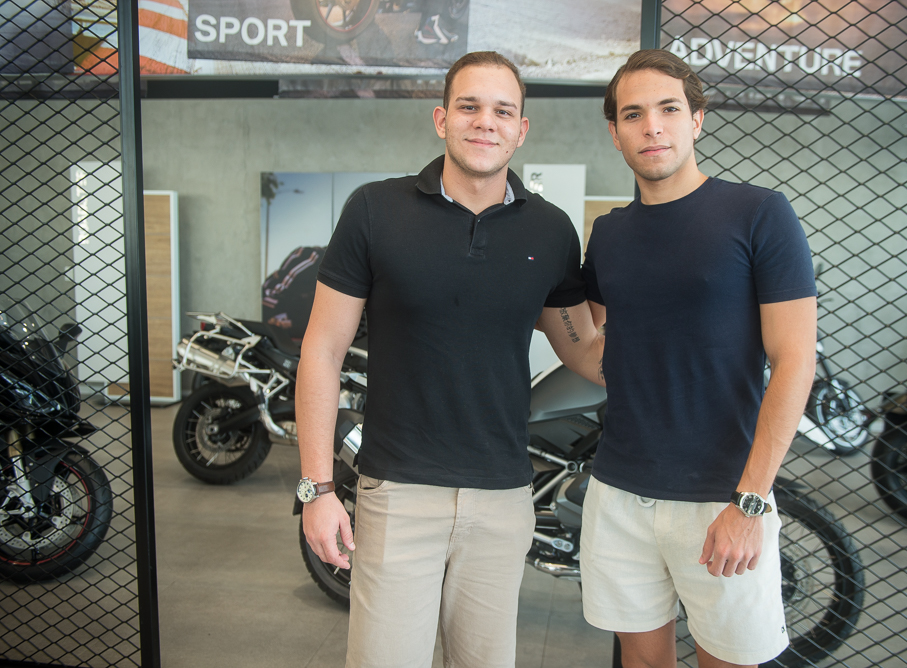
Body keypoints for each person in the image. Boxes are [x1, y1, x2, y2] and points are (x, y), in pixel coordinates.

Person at [296, 51, 604, 668]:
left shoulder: (550, 231)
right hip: (397, 491)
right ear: (442, 119)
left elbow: (586, 352)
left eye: (503, 111)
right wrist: (317, 489)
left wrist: (678, 320)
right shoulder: (374, 210)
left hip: (502, 497)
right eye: (469, 106)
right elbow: (322, 350)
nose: (485, 121)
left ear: (521, 129)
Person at [580, 49, 818, 668]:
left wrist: (750, 502)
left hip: (723, 495)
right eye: (633, 114)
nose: (652, 127)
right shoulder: (609, 234)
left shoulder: (759, 213)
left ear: (697, 120)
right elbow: (594, 337)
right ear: (615, 133)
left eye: (668, 109)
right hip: (619, 491)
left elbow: (795, 360)